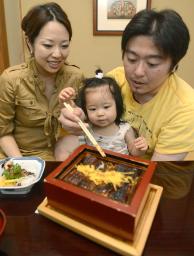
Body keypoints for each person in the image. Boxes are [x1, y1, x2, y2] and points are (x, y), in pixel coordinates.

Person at [58, 9, 194, 161]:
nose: (138, 72)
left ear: (174, 67)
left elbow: (158, 173)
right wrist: (74, 118)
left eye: (152, 63)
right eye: (132, 58)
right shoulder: (116, 78)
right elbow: (88, 114)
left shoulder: (185, 108)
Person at [0, 2, 84, 160]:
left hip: (60, 156)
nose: (58, 54)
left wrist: (79, 120)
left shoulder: (76, 77)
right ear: (30, 43)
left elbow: (84, 122)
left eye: (64, 45)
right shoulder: (11, 79)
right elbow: (3, 132)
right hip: (19, 157)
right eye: (48, 45)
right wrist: (23, 166)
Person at [55, 73, 148, 160]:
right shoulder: (87, 127)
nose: (100, 113)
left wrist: (140, 148)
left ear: (117, 104)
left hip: (118, 169)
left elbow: (134, 152)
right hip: (92, 169)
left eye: (106, 107)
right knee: (61, 145)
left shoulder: (124, 129)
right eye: (93, 109)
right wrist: (66, 101)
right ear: (85, 109)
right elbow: (74, 114)